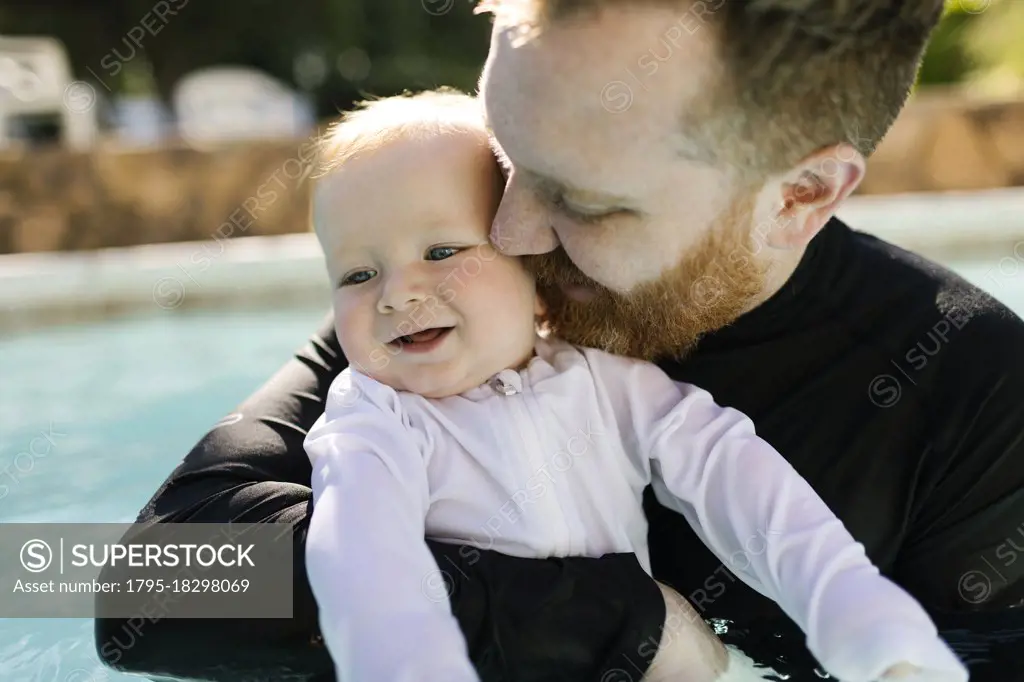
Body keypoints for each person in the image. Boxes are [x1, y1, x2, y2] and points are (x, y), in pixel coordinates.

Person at [95, 1, 1024, 681]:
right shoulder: (436, 314)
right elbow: (137, 586)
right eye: (509, 159)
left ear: (800, 194)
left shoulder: (974, 389)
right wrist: (616, 625)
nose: (515, 231)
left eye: (584, 199)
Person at [300, 87, 967, 682]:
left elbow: (739, 480)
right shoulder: (373, 419)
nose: (395, 295)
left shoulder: (607, 387)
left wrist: (864, 621)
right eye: (356, 275)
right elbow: (362, 563)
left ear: (535, 266)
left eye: (442, 252)